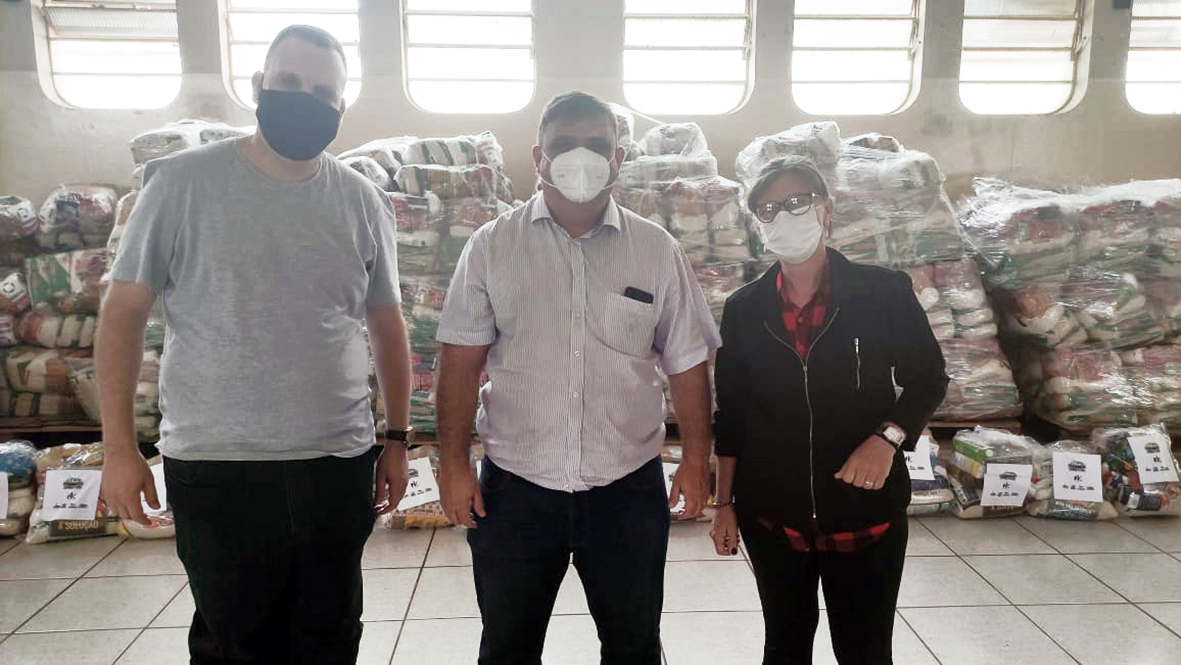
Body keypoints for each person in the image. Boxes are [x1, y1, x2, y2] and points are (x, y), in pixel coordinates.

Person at [97, 25, 413, 665]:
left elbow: (387, 322)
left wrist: (398, 440)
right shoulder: (181, 184)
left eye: (322, 91)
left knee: (330, 635)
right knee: (234, 642)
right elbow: (122, 316)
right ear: (259, 86)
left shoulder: (362, 200)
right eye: (289, 82)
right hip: (218, 465)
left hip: (335, 461)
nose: (304, 99)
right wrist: (119, 448)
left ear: (341, 106)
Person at [436, 91, 720, 665]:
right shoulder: (492, 246)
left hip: (627, 489)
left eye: (597, 144)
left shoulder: (655, 250)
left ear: (619, 159)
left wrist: (695, 460)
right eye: (563, 144)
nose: (580, 156)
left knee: (633, 646)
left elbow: (688, 362)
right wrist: (454, 466)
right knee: (507, 648)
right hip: (514, 490)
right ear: (538, 157)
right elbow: (460, 364)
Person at [710, 157, 948, 664]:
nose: (783, 216)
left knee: (864, 650)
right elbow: (731, 414)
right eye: (768, 209)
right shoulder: (745, 308)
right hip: (772, 515)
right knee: (784, 646)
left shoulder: (882, 292)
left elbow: (928, 378)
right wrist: (723, 504)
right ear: (758, 225)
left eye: (797, 202)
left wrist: (887, 439)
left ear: (827, 209)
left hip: (864, 511)